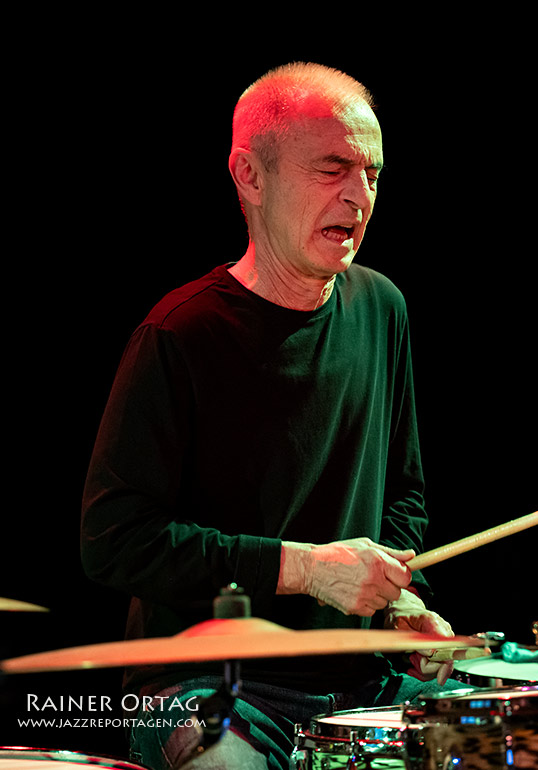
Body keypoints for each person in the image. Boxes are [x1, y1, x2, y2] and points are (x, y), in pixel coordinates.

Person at [81, 62, 464, 770]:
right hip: (203, 684)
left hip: (355, 678)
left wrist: (399, 595)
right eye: (333, 168)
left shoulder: (382, 308)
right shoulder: (179, 336)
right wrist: (304, 570)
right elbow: (114, 540)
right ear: (250, 176)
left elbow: (402, 497)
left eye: (373, 174)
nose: (360, 197)